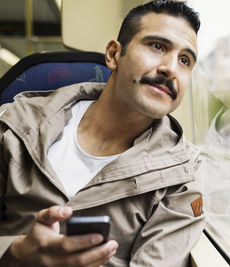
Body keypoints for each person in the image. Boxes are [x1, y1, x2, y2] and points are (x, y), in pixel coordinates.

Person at [0, 0, 204, 266]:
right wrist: (14, 254)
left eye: (185, 60)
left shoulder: (184, 175)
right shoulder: (14, 124)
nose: (171, 69)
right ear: (113, 54)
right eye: (157, 46)